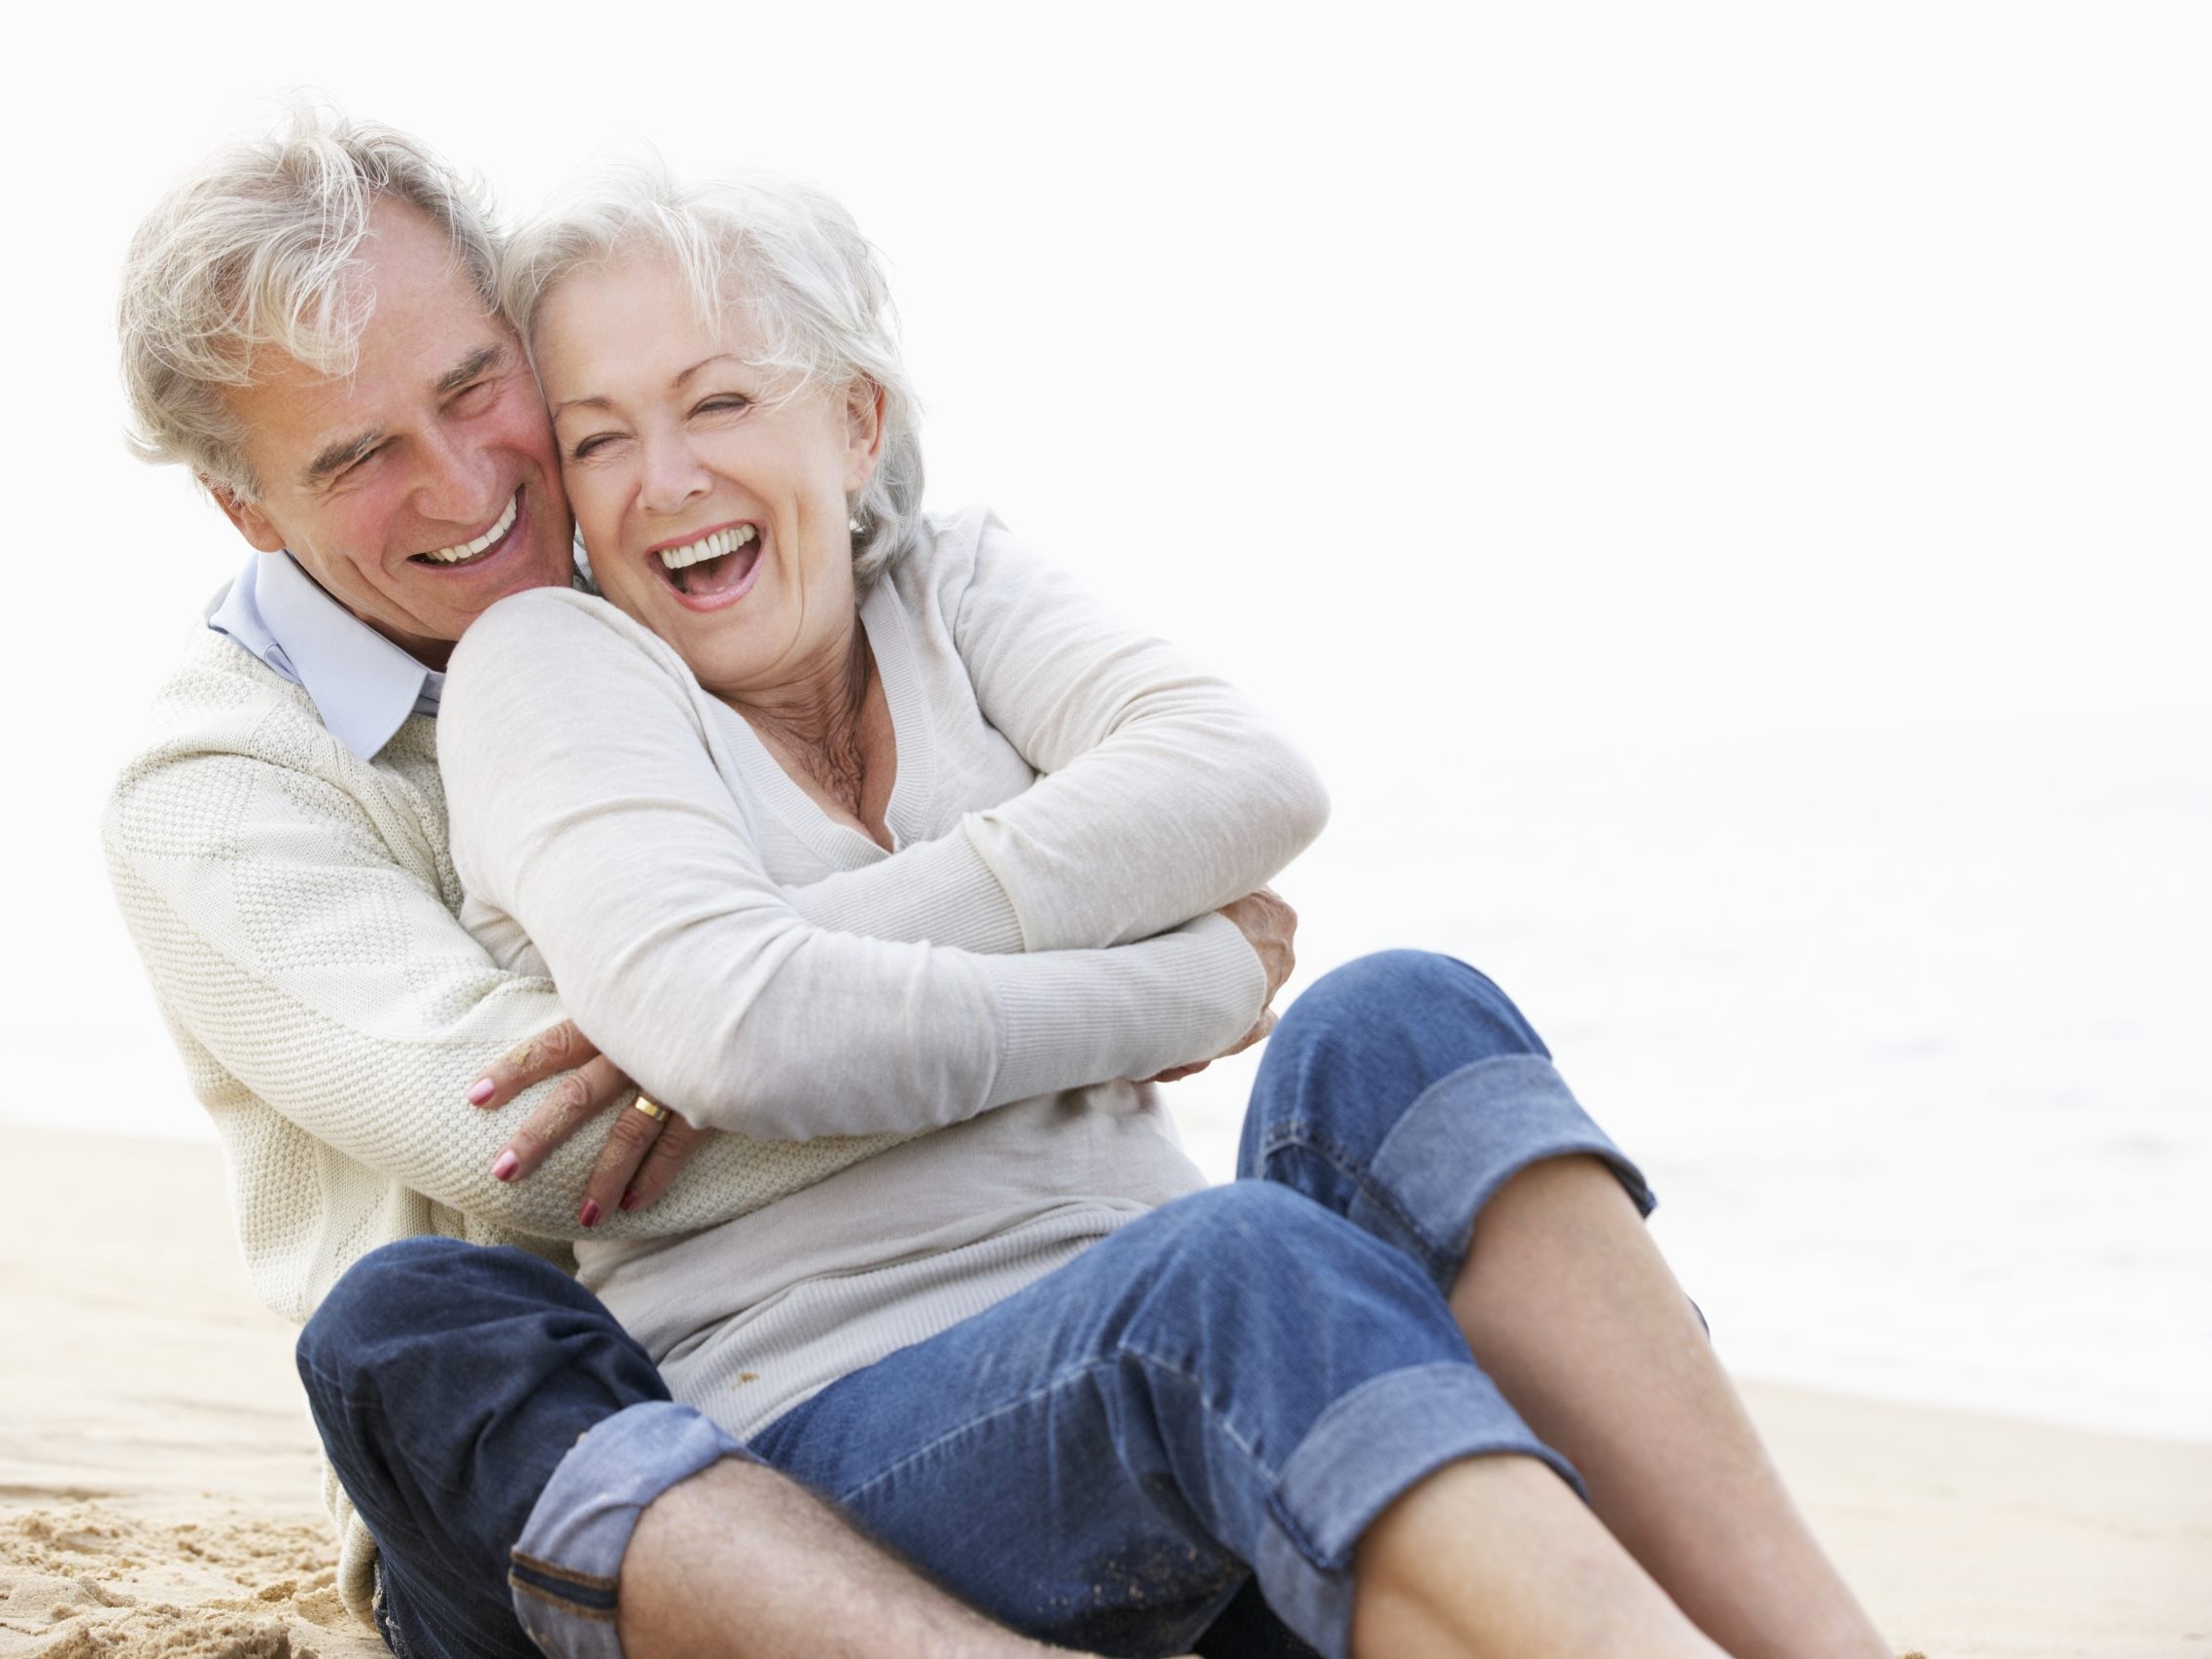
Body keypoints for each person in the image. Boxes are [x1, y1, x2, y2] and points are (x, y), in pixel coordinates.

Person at [289, 160, 1897, 1659]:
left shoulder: (954, 588)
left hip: (1172, 1347)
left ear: (854, 423)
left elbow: (1252, 781)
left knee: (1406, 1015)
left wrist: (828, 945)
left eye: (720, 400)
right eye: (598, 438)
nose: (668, 481)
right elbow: (741, 1030)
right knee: (1234, 1268)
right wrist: (1177, 986)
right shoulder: (557, 670)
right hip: (844, 1434)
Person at [105, 104, 1200, 1659]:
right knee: (415, 1319)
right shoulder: (216, 795)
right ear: (248, 511)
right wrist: (1145, 993)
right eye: (355, 457)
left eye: (478, 387)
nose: (463, 479)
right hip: (564, 1476)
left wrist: (784, 1003)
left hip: (892, 1368)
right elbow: (544, 1155)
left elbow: (812, 958)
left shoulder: (665, 581)